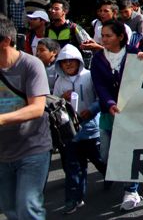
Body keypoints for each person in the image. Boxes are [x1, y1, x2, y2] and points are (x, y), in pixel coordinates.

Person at [0, 16, 51, 220]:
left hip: (33, 148)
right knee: (10, 208)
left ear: (5, 41)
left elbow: (37, 108)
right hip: (3, 152)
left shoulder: (31, 64)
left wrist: (1, 119)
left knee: (28, 207)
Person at [91, 20, 143, 210]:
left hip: (131, 112)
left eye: (108, 35)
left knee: (128, 150)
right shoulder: (98, 59)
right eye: (102, 35)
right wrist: (110, 103)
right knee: (106, 154)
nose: (103, 39)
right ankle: (118, 176)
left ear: (120, 37)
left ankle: (131, 190)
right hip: (109, 112)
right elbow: (100, 85)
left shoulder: (135, 54)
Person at [53, 44, 105, 214]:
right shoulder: (59, 81)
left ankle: (109, 176)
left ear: (79, 61)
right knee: (74, 167)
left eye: (71, 61)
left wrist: (90, 111)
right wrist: (62, 98)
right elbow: (53, 104)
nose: (68, 65)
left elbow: (101, 98)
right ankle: (73, 199)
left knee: (99, 159)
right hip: (70, 132)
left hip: (91, 129)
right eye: (64, 62)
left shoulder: (90, 76)